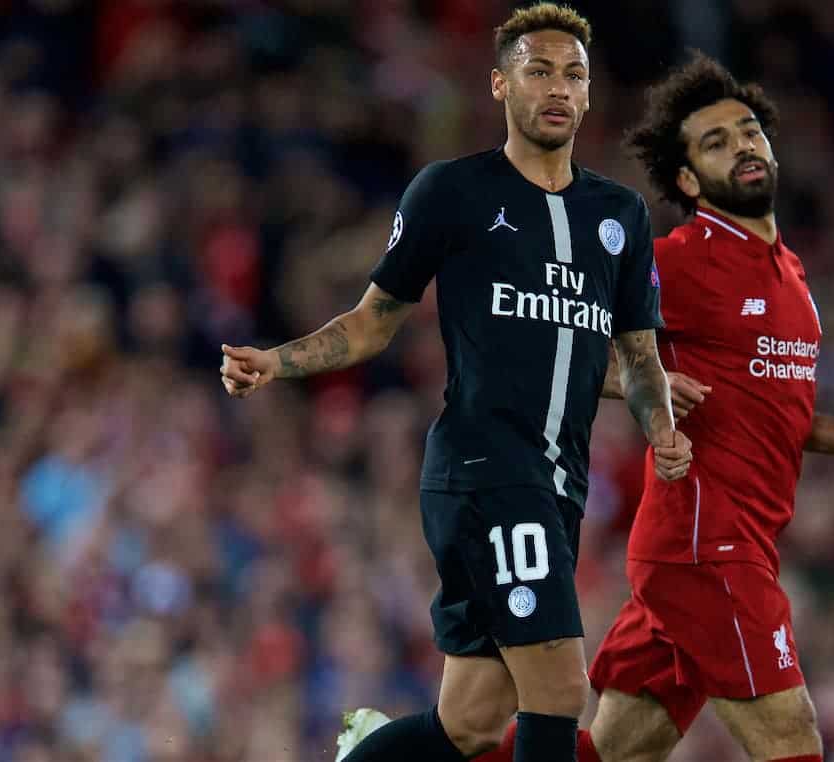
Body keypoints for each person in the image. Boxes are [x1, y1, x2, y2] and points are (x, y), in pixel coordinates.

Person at [219, 5, 694, 762]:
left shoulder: (620, 216)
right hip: (486, 472)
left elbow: (635, 361)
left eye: (574, 74)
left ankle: (366, 752)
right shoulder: (452, 193)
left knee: (471, 723)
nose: (559, 88)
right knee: (560, 692)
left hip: (557, 483)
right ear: (501, 84)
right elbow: (373, 322)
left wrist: (661, 423)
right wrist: (278, 361)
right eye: (539, 70)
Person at [472, 53, 834, 762]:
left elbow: (759, 403)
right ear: (687, 180)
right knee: (790, 737)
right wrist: (637, 383)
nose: (742, 145)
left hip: (727, 543)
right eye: (716, 142)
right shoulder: (678, 262)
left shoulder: (790, 272)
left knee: (614, 752)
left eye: (748, 132)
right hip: (705, 545)